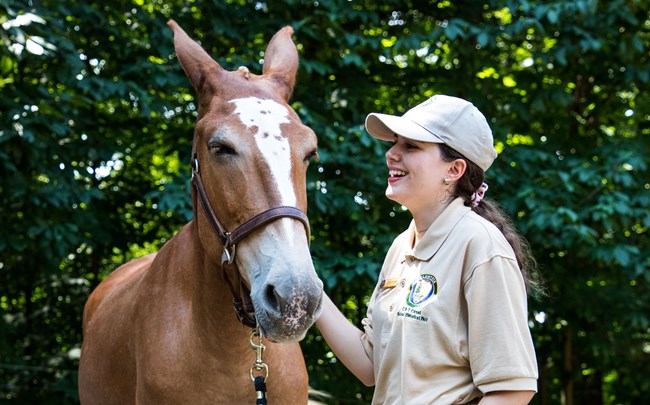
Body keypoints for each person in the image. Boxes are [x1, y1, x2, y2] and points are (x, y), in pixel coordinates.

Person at [316, 95, 539, 404]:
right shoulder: (400, 247)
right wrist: (310, 290)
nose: (391, 153)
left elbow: (512, 390)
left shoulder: (480, 244)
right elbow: (371, 366)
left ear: (454, 170)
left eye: (411, 146)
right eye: (395, 143)